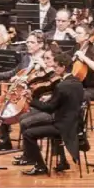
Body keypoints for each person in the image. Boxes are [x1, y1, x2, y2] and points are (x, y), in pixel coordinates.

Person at [17, 48, 85, 176]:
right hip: (74, 124)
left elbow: (49, 109)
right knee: (30, 126)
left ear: (63, 67)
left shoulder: (62, 86)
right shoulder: (77, 83)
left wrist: (31, 100)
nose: (54, 69)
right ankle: (59, 161)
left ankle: (40, 166)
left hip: (62, 126)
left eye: (56, 67)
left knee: (28, 133)